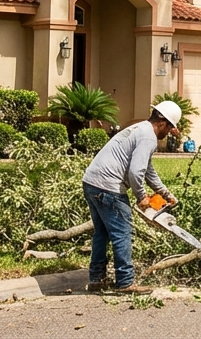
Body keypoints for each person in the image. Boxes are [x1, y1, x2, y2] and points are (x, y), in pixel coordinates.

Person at [81, 100, 182, 295]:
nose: (167, 133)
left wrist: (166, 194)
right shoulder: (149, 137)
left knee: (102, 233)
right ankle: (125, 282)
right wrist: (141, 196)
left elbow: (147, 170)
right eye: (169, 129)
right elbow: (136, 172)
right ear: (162, 123)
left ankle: (97, 278)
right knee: (122, 232)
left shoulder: (139, 129)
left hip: (91, 182)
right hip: (108, 187)